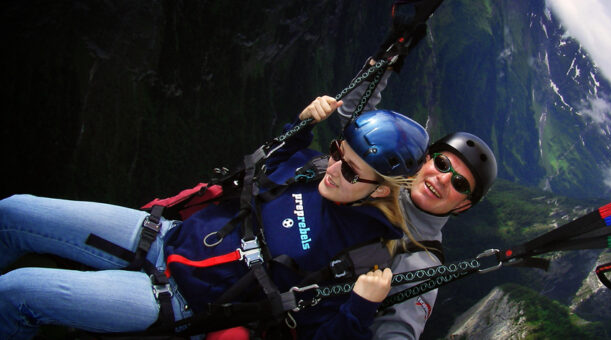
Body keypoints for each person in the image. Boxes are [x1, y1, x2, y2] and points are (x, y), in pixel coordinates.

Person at [0, 96, 430, 339]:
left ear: (380, 189)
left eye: (352, 171)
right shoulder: (314, 169)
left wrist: (359, 307)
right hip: (163, 235)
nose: (335, 170)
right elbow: (255, 173)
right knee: (13, 210)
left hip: (178, 301)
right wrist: (298, 125)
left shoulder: (361, 255)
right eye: (339, 153)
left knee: (18, 292)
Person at [335, 58, 497, 339]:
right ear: (425, 160)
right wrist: (383, 64)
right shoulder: (387, 171)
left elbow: (399, 330)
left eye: (459, 183)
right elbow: (356, 120)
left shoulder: (420, 262)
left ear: (463, 205)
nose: (443, 179)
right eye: (443, 164)